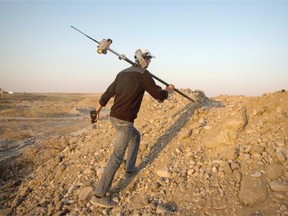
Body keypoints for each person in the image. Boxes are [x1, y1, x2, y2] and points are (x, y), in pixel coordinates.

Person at [90, 49, 174, 208]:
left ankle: (130, 169)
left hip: (114, 117)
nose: (150, 62)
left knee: (135, 137)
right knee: (117, 156)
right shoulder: (143, 74)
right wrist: (167, 91)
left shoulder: (122, 73)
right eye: (149, 60)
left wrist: (98, 111)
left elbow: (107, 94)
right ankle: (98, 195)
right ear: (145, 60)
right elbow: (158, 96)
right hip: (124, 121)